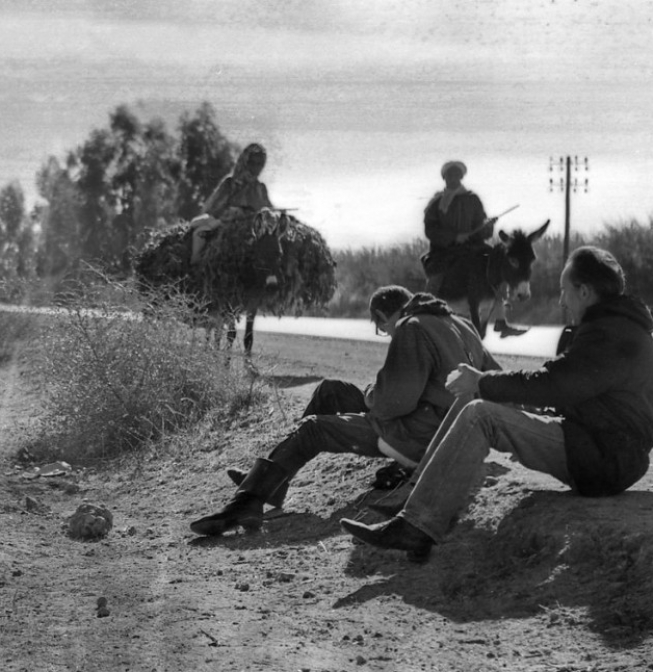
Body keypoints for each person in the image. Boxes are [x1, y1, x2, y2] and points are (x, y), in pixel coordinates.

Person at [341, 246, 653, 563]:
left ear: (584, 292)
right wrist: (485, 386)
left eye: (563, 291)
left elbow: (554, 385)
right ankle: (416, 499)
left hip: (604, 460)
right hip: (593, 442)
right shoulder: (615, 327)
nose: (560, 301)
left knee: (481, 415)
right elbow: (570, 389)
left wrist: (484, 381)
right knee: (471, 398)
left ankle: (417, 526)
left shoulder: (611, 335)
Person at [189, 285, 500, 537]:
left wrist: (370, 398)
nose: (387, 335)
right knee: (331, 391)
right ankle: (273, 484)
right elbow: (496, 378)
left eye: (382, 329)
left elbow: (395, 402)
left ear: (381, 316)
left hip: (421, 434)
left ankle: (244, 505)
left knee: (312, 429)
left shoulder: (411, 328)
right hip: (455, 427)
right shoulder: (460, 323)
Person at [190, 143, 274, 265]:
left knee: (199, 232)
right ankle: (196, 259)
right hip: (222, 218)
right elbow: (215, 206)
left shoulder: (259, 188)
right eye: (252, 163)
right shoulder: (230, 183)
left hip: (242, 224)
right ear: (245, 162)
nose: (256, 168)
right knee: (194, 223)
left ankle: (196, 260)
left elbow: (266, 209)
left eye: (259, 164)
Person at [421, 160, 494, 294]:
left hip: (472, 247)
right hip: (444, 251)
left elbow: (480, 225)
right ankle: (428, 302)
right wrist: (453, 237)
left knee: (495, 263)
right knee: (436, 279)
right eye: (450, 176)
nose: (453, 179)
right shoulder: (436, 203)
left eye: (456, 176)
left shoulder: (473, 200)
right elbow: (430, 229)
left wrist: (487, 227)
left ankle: (499, 303)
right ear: (445, 178)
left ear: (461, 177)